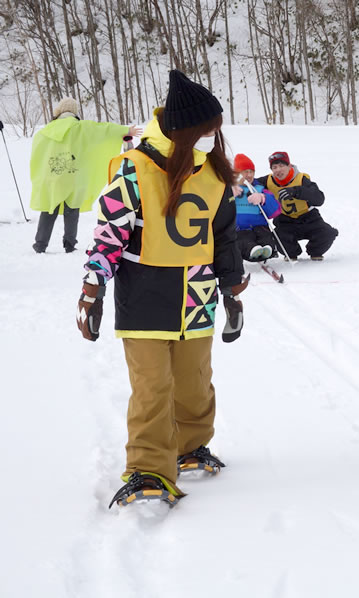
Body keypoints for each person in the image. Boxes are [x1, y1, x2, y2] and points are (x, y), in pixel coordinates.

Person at [76, 70, 246, 508]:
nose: (215, 137)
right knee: (153, 387)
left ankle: (190, 446)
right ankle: (149, 468)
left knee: (194, 383)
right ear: (186, 131)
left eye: (216, 129)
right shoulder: (134, 171)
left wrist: (231, 290)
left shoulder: (212, 172)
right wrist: (91, 289)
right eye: (207, 131)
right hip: (145, 295)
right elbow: (107, 237)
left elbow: (224, 236)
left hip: (198, 294)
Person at [29, 97, 141, 253]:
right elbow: (104, 129)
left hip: (52, 177)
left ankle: (40, 244)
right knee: (72, 209)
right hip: (74, 176)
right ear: (74, 112)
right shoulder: (82, 127)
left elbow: (38, 153)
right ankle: (69, 244)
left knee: (49, 209)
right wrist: (126, 131)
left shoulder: (45, 132)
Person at [255, 151, 338, 260]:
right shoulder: (268, 181)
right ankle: (291, 253)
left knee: (328, 233)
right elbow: (250, 183)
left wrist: (296, 191)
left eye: (281, 166)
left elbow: (319, 198)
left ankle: (315, 251)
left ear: (289, 166)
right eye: (274, 167)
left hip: (309, 218)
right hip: (285, 221)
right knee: (276, 237)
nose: (278, 170)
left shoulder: (301, 179)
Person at [232, 153, 280, 261]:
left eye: (251, 172)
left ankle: (268, 250)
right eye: (245, 172)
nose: (249, 175)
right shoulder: (229, 189)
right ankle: (252, 250)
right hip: (240, 229)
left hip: (259, 227)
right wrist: (227, 195)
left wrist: (264, 199)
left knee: (266, 238)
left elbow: (275, 211)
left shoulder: (260, 188)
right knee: (244, 240)